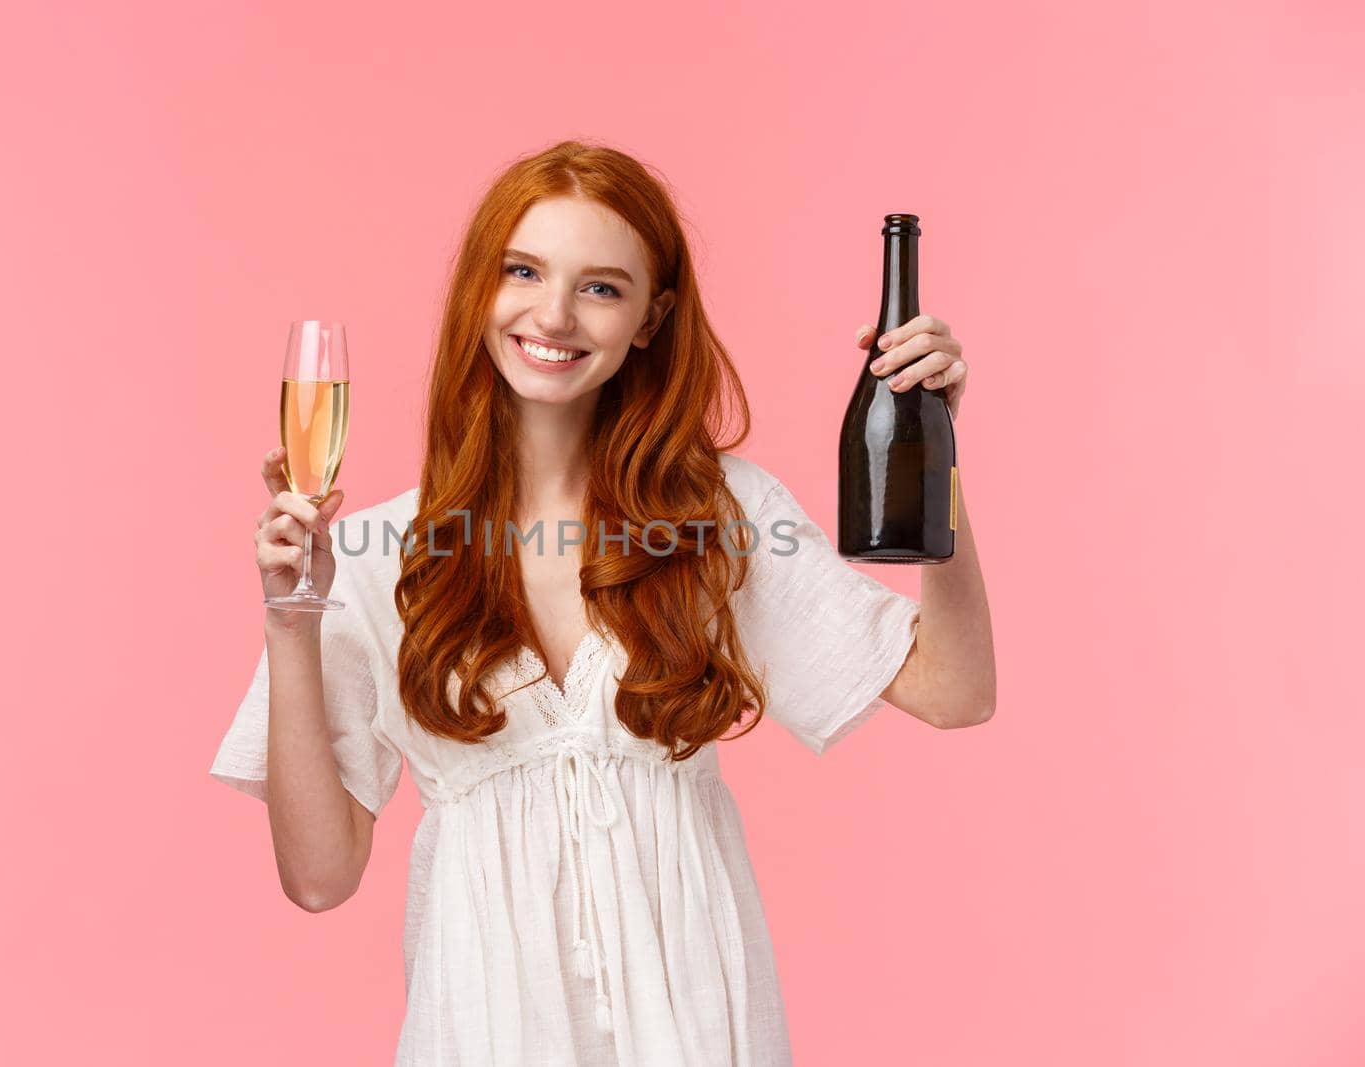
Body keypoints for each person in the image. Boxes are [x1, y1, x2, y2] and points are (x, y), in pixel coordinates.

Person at [210, 140, 995, 1066]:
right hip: (487, 1032)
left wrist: (936, 449)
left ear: (652, 318)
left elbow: (955, 689)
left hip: (699, 1027)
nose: (553, 313)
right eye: (524, 270)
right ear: (479, 289)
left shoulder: (719, 517)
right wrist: (291, 621)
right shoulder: (381, 555)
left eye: (601, 287)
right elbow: (318, 876)